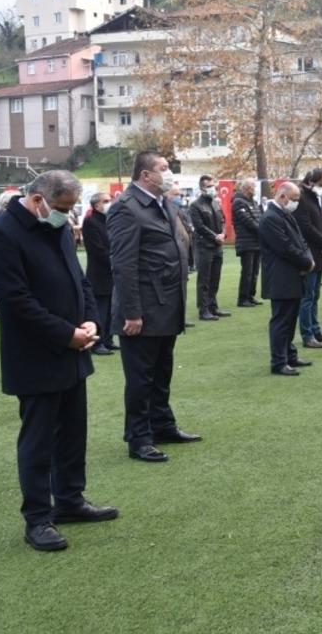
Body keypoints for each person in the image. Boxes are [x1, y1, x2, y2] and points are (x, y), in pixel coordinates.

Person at [0, 171, 119, 552]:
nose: (67, 216)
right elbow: (15, 302)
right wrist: (65, 334)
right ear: (38, 199)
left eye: (72, 208)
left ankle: (70, 501)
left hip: (74, 350)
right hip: (36, 356)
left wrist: (91, 321)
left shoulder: (54, 226)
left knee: (73, 433)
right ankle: (38, 519)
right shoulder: (1, 235)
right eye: (62, 208)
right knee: (38, 441)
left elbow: (80, 282)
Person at [109, 152, 200, 463]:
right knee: (140, 378)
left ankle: (162, 425)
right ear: (145, 175)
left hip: (168, 304)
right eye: (164, 168)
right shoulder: (127, 209)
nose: (170, 173)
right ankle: (138, 437)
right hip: (144, 309)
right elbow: (123, 266)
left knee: (162, 372)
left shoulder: (164, 204)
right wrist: (132, 312)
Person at [259, 182, 315, 376]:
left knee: (290, 319)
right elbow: (284, 247)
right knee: (281, 320)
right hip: (281, 276)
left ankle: (289, 355)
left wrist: (307, 259)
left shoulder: (284, 214)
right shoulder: (270, 218)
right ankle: (279, 361)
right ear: (282, 196)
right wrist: (305, 262)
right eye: (294, 199)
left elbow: (300, 241)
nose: (296, 203)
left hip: (293, 274)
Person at [293, 169, 322, 349]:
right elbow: (305, 227)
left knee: (314, 295)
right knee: (308, 296)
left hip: (317, 252)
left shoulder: (312, 198)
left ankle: (315, 330)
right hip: (309, 252)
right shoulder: (302, 198)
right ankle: (307, 334)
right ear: (311, 181)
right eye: (321, 185)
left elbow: (316, 224)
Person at [81, 192, 118, 356]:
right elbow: (97, 250)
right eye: (106, 201)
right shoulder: (90, 222)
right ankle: (98, 343)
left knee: (111, 309)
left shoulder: (109, 220)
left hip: (112, 273)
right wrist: (115, 264)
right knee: (100, 310)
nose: (110, 203)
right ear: (97, 205)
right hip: (99, 273)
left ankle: (108, 340)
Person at [189, 175, 228, 322]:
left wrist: (223, 233)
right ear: (202, 188)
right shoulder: (195, 206)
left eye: (214, 186)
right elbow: (199, 226)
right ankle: (203, 310)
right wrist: (215, 236)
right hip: (204, 246)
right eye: (210, 186)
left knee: (215, 279)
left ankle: (213, 306)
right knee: (204, 280)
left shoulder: (216, 203)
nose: (213, 189)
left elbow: (223, 220)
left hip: (217, 246)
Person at [231, 178, 262, 308]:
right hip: (246, 242)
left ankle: (250, 296)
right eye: (252, 187)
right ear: (245, 189)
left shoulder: (254, 202)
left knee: (254, 271)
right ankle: (242, 298)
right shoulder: (238, 202)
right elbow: (248, 221)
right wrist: (263, 229)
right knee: (247, 271)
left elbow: (260, 218)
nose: (254, 189)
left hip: (256, 241)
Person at [170, 184, 195, 273]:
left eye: (180, 195)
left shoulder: (180, 210)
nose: (179, 198)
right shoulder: (167, 213)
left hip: (184, 250)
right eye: (176, 195)